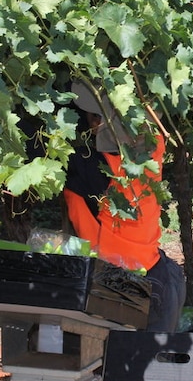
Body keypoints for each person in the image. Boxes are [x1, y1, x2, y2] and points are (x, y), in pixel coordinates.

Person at [63, 81, 185, 332]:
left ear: (99, 123)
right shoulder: (150, 147)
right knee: (155, 366)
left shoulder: (90, 167)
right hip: (159, 273)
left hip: (126, 287)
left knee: (123, 366)